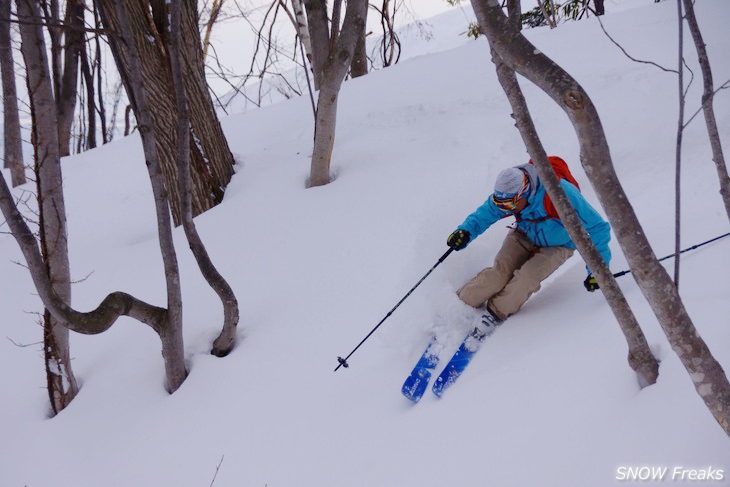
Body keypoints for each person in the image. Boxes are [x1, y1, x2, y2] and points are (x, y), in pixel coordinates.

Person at [446, 158, 611, 324]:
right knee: (498, 275)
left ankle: (495, 313)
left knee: (526, 279)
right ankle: (459, 305)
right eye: (499, 203)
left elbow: (598, 228)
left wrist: (597, 271)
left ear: (523, 192)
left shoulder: (560, 193)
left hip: (558, 245)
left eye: (509, 205)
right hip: (523, 234)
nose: (503, 209)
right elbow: (485, 214)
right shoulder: (506, 195)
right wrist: (465, 231)